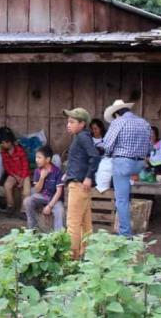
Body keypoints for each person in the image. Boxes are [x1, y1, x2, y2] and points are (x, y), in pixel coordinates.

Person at [103, 99, 152, 238]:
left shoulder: (117, 122)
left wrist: (107, 154)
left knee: (122, 200)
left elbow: (107, 145)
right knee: (127, 196)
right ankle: (131, 228)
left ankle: (125, 234)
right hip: (139, 164)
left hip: (123, 163)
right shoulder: (144, 123)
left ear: (116, 113)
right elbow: (149, 148)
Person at [63, 107, 100, 260]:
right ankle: (87, 254)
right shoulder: (81, 137)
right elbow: (83, 159)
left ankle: (71, 257)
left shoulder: (82, 137)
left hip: (78, 185)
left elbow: (95, 156)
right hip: (79, 182)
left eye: (72, 122)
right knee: (85, 223)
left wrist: (89, 176)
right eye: (68, 121)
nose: (68, 124)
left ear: (82, 123)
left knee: (72, 224)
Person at [23, 146, 64, 232]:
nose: (36, 160)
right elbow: (36, 190)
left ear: (48, 159)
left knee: (59, 211)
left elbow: (58, 192)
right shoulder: (37, 171)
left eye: (39, 157)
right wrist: (42, 178)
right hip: (42, 197)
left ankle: (58, 236)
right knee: (27, 201)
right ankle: (32, 230)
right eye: (36, 157)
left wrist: (49, 206)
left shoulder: (57, 172)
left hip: (54, 199)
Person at [0, 127, 31, 216]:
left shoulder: (19, 150)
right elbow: (6, 167)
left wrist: (22, 178)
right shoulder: (4, 152)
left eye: (4, 142)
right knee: (7, 185)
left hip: (24, 174)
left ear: (10, 141)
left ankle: (23, 211)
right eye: (1, 143)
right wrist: (15, 176)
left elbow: (25, 165)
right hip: (14, 175)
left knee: (26, 191)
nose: (3, 145)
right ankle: (10, 206)